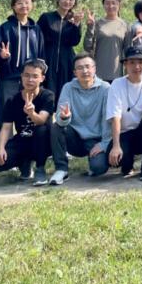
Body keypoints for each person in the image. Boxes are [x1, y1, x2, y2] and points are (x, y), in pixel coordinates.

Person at [49, 53, 111, 185]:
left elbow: (108, 119)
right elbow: (60, 116)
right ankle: (61, 169)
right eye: (80, 68)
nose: (85, 71)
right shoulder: (68, 88)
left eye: (88, 66)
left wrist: (104, 143)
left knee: (99, 168)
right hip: (75, 138)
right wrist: (64, 117)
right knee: (56, 127)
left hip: (95, 139)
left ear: (94, 69)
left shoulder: (105, 88)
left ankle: (93, 163)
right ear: (74, 72)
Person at [0, 59, 55, 186]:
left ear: (42, 78)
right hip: (23, 139)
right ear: (21, 76)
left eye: (35, 76)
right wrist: (0, 149)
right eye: (27, 75)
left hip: (44, 142)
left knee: (41, 130)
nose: (30, 80)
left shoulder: (47, 96)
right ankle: (24, 163)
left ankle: (40, 168)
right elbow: (6, 128)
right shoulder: (13, 100)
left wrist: (31, 113)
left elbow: (41, 120)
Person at [0, 0, 45, 145]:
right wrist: (2, 56)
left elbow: (41, 56)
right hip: (8, 79)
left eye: (27, 2)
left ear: (32, 5)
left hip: (30, 79)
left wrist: (39, 76)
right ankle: (4, 152)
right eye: (20, 3)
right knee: (5, 117)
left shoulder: (36, 29)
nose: (24, 6)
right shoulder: (5, 27)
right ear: (13, 6)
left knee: (29, 117)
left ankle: (28, 152)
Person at [106, 46, 142, 181]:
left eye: (141, 62)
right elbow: (115, 117)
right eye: (132, 62)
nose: (137, 67)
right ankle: (128, 162)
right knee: (116, 160)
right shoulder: (117, 84)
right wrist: (116, 146)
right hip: (124, 134)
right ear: (125, 64)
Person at [37, 0, 84, 96]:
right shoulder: (46, 17)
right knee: (47, 94)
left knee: (65, 94)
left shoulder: (74, 19)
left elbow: (74, 41)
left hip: (66, 62)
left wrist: (76, 24)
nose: (67, 2)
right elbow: (37, 39)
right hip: (48, 61)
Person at [84, 0, 129, 82]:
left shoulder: (125, 25)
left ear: (119, 5)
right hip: (98, 73)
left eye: (114, 3)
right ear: (103, 5)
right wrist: (90, 27)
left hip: (117, 73)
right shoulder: (97, 23)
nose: (110, 6)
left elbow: (128, 51)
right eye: (107, 3)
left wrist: (128, 73)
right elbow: (87, 47)